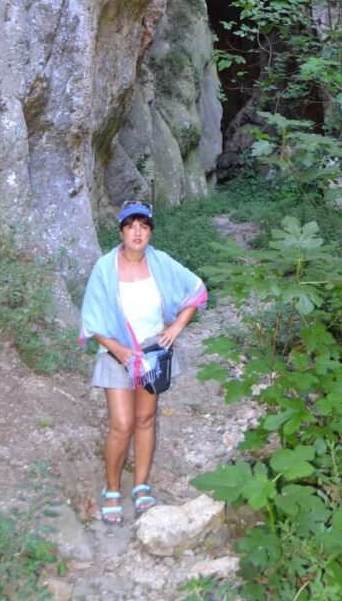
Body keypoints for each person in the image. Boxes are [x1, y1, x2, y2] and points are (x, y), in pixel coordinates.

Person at [79, 200, 207, 525]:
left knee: (146, 419)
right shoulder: (105, 269)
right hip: (116, 355)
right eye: (131, 226)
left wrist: (177, 326)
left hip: (152, 356)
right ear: (121, 231)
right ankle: (111, 489)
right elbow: (91, 320)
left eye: (144, 226)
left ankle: (140, 486)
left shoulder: (160, 263)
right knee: (122, 425)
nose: (137, 232)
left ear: (150, 231)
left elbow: (196, 290)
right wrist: (118, 349)